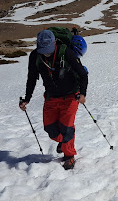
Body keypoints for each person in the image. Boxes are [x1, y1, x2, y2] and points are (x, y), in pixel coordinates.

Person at [19, 29, 88, 170]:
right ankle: (63, 142)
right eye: (43, 50)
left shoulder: (65, 52)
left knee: (67, 127)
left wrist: (82, 94)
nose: (46, 53)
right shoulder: (35, 56)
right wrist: (27, 98)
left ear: (55, 43)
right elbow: (32, 78)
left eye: (49, 50)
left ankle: (69, 156)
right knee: (51, 130)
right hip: (51, 96)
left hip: (70, 95)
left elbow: (83, 74)